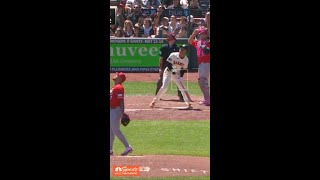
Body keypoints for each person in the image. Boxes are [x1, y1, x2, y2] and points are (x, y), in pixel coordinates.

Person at [110, 72, 133, 156]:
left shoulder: (119, 88)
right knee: (111, 131)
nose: (115, 75)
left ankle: (128, 147)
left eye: (117, 75)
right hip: (112, 110)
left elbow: (121, 101)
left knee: (115, 130)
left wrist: (122, 113)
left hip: (116, 110)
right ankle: (110, 150)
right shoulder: (115, 87)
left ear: (120, 78)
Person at [188, 27, 210, 106]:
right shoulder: (199, 42)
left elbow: (207, 51)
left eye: (203, 34)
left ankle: (207, 99)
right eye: (201, 34)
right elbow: (190, 41)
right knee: (202, 81)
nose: (201, 35)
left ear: (206, 35)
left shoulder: (208, 42)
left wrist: (206, 47)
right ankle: (206, 98)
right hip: (201, 64)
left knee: (202, 81)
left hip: (206, 63)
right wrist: (194, 33)